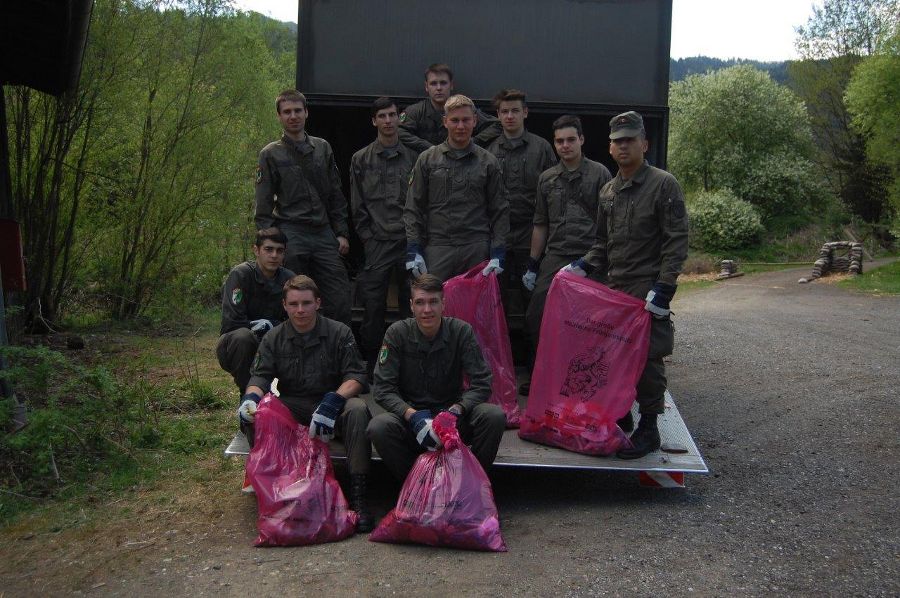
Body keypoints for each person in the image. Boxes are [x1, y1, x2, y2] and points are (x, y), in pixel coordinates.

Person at [563, 111, 689, 459]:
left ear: (644, 144)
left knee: (648, 361)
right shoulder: (608, 191)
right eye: (617, 141)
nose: (623, 146)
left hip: (647, 291)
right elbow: (602, 244)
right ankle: (622, 416)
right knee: (613, 358)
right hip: (615, 290)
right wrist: (584, 265)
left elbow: (676, 241)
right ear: (610, 146)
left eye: (630, 140)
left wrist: (664, 289)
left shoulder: (664, 184)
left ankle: (650, 427)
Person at [237, 275, 373, 531]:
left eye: (306, 303)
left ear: (318, 303)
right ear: (285, 306)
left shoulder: (339, 332)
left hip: (332, 403)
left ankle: (358, 496)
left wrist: (334, 400)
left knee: (357, 410)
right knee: (261, 413)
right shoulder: (274, 338)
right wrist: (250, 399)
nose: (300, 310)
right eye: (294, 304)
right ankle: (276, 492)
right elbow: (260, 375)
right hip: (294, 405)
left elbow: (356, 376)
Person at [367, 274, 507, 481]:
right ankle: (415, 485)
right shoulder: (396, 333)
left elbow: (482, 381)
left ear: (443, 304)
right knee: (379, 427)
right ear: (411, 306)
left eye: (433, 302)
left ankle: (471, 483)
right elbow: (382, 388)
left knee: (494, 416)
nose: (427, 310)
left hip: (452, 418)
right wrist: (412, 416)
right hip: (412, 419)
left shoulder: (461, 331)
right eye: (420, 302)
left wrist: (457, 410)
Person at [522, 115, 611, 389]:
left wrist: (602, 261)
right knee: (536, 315)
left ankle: (591, 378)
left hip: (591, 256)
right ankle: (544, 375)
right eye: (559, 141)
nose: (565, 145)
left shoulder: (600, 174)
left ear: (582, 140)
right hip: (557, 256)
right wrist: (533, 264)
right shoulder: (547, 179)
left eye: (571, 139)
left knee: (593, 322)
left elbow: (609, 225)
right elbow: (540, 223)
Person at [254, 89, 352, 326]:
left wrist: (341, 233)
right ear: (279, 116)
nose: (293, 116)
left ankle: (335, 351)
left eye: (298, 110)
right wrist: (267, 244)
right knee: (294, 298)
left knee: (339, 298)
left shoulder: (322, 148)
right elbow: (263, 203)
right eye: (287, 112)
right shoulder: (270, 154)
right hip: (291, 231)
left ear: (307, 113)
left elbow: (335, 195)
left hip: (322, 232)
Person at [404, 94, 510, 282]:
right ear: (445, 122)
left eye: (466, 120)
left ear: (475, 121)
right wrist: (414, 248)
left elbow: (500, 210)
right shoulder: (428, 159)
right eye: (454, 120)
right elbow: (413, 208)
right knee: (436, 303)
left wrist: (498, 251)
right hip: (438, 247)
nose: (460, 126)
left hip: (476, 246)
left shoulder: (488, 162)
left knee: (476, 308)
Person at [350, 97, 417, 379]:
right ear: (374, 121)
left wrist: (417, 240)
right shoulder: (361, 158)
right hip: (377, 242)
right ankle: (370, 366)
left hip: (408, 241)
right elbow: (357, 204)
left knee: (410, 304)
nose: (388, 121)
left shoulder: (415, 156)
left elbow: (421, 201)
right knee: (373, 308)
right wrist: (367, 237)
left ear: (399, 118)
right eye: (382, 116)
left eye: (392, 115)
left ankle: (407, 366)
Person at [485, 89, 556, 317]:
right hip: (499, 235)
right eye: (504, 111)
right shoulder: (489, 150)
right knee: (497, 301)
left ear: (525, 112)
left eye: (515, 110)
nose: (509, 116)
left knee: (533, 300)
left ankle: (533, 352)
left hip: (531, 234)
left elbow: (553, 191)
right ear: (498, 115)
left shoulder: (542, 148)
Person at [216, 227, 295, 398]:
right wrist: (267, 328)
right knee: (243, 336)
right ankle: (249, 395)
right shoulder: (241, 274)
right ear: (256, 250)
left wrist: (271, 326)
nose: (274, 255)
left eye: (279, 251)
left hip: (274, 343)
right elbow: (233, 322)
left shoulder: (289, 279)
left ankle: (292, 399)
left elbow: (297, 320)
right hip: (237, 346)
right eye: (268, 249)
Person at [398, 63, 501, 153]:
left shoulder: (464, 110)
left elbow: (497, 125)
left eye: (443, 83)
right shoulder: (416, 112)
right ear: (426, 86)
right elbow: (399, 131)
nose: (439, 88)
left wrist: (473, 142)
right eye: (433, 83)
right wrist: (428, 148)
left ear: (451, 85)